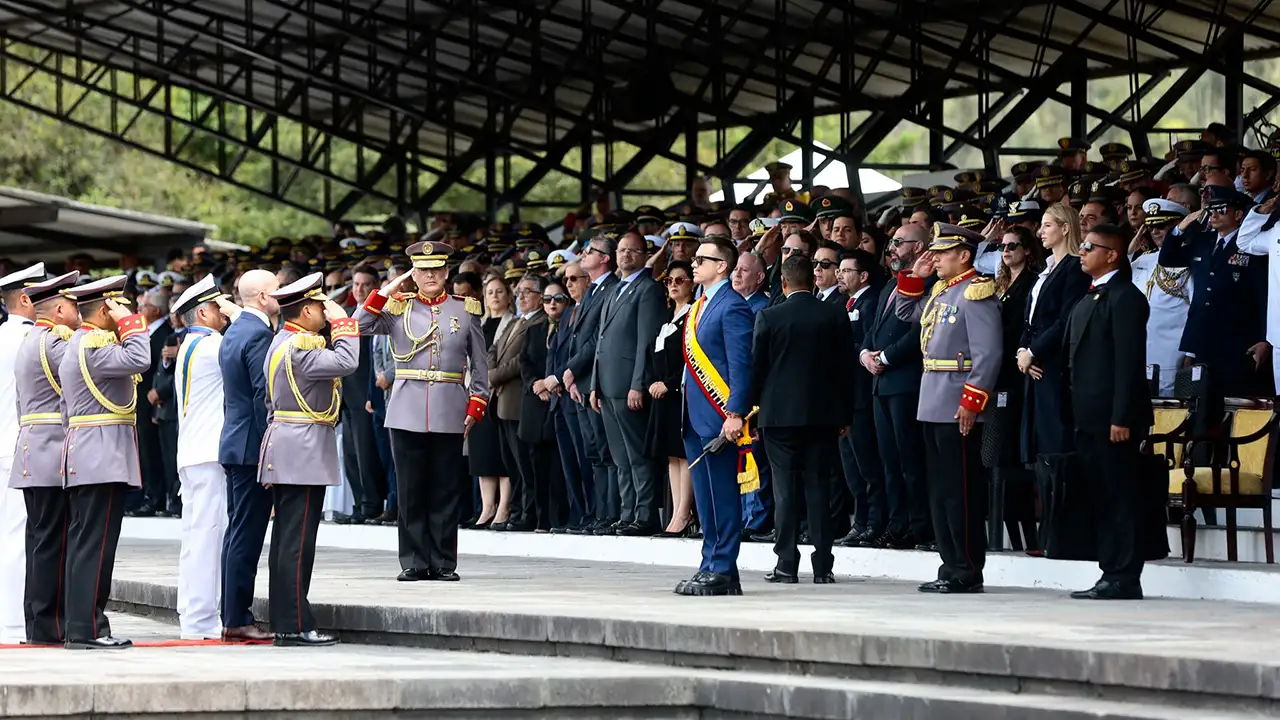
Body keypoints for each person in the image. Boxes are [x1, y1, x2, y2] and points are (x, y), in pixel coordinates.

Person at [357, 241, 490, 582]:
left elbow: (479, 361)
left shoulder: (464, 309)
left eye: (436, 270)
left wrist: (478, 400)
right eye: (423, 270)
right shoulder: (398, 307)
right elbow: (360, 325)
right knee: (410, 488)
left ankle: (443, 561)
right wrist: (386, 291)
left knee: (445, 488)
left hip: (449, 406)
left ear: (446, 273)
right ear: (413, 275)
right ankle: (414, 560)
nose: (430, 276)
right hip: (406, 408)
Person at [896, 223, 1002, 594]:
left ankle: (967, 568)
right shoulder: (943, 289)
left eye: (943, 253)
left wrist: (972, 402)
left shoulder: (976, 291)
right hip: (932, 398)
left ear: (964, 255)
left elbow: (988, 353)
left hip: (958, 401)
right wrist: (916, 276)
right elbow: (906, 312)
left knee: (961, 491)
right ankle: (950, 562)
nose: (936, 258)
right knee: (940, 491)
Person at [260, 272, 359, 646]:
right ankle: (295, 624)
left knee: (289, 538)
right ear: (305, 311)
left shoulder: (282, 341)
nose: (325, 312)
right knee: (297, 541)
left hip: (289, 445)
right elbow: (347, 361)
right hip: (301, 449)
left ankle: (287, 620)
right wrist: (344, 323)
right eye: (320, 306)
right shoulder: (300, 348)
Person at [59, 275, 151, 649]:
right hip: (101, 456)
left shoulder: (79, 344)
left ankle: (82, 624)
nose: (123, 314)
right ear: (105, 309)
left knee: (87, 543)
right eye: (117, 307)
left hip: (88, 453)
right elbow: (141, 358)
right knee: (95, 545)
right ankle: (88, 628)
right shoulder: (94, 347)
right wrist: (131, 322)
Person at [1063, 224, 1153, 600]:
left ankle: (1124, 576)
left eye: (1089, 246)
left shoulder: (1125, 297)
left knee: (1120, 496)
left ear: (1112, 255)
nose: (1082, 252)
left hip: (1113, 419)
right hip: (1088, 415)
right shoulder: (1091, 295)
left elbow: (1128, 363)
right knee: (1101, 495)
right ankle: (1109, 570)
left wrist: (1121, 417)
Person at [752, 255, 852, 584]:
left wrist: (752, 411)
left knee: (785, 490)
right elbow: (846, 368)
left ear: (783, 282)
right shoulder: (834, 314)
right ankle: (823, 566)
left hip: (778, 417)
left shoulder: (769, 316)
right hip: (823, 416)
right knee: (819, 488)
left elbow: (757, 369)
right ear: (812, 280)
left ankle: (786, 564)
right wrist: (845, 414)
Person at [676, 235, 754, 596]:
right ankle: (711, 565)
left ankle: (722, 567)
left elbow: (741, 364)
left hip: (720, 416)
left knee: (721, 495)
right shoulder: (700, 305)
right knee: (706, 500)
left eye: (701, 259)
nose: (694, 264)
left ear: (722, 266)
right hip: (695, 415)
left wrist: (735, 412)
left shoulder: (732, 305)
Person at [9, 269, 79, 645]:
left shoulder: (29, 340)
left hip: (30, 448)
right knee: (54, 541)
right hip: (52, 449)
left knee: (39, 540)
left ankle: (38, 623)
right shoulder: (54, 342)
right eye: (74, 305)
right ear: (60, 309)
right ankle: (52, 625)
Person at [172, 275, 236, 640]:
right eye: (217, 306)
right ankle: (201, 620)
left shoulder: (190, 345)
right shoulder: (213, 345)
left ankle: (193, 615)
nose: (224, 312)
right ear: (202, 313)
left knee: (197, 537)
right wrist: (241, 312)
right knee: (209, 538)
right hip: (209, 453)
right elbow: (253, 344)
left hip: (194, 452)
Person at [859, 224, 932, 550]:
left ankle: (919, 525)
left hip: (906, 382)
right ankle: (897, 523)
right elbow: (873, 330)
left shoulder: (929, 283)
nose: (892, 248)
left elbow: (919, 334)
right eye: (892, 242)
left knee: (911, 460)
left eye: (900, 242)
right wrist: (865, 354)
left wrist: (886, 357)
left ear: (918, 247)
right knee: (889, 461)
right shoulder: (890, 284)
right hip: (881, 384)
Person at [217, 269, 280, 644]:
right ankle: (237, 617)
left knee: (237, 531)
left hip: (235, 442)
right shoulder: (257, 334)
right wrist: (268, 449)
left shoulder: (235, 330)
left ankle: (232, 613)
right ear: (262, 297)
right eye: (277, 291)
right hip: (251, 446)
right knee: (247, 534)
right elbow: (262, 396)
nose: (281, 296)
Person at [1159, 185, 1269, 397]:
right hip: (1201, 336)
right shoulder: (1203, 240)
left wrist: (1264, 338)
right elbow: (1167, 259)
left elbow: (1263, 296)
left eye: (1222, 210)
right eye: (1212, 210)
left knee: (1233, 401)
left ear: (1238, 214)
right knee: (1200, 402)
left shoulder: (1251, 244)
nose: (1214, 215)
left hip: (1238, 340)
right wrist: (1179, 229)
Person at [590, 229, 667, 536]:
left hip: (628, 385)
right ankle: (627, 512)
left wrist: (639, 383)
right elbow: (601, 341)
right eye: (622, 249)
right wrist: (594, 384)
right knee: (620, 456)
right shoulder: (615, 289)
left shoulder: (648, 289)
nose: (626, 254)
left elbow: (646, 341)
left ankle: (645, 515)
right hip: (607, 384)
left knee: (637, 453)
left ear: (644, 255)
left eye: (633, 250)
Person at [0, 263, 51, 644]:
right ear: (25, 299)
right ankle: (14, 621)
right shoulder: (33, 339)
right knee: (19, 537)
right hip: (20, 446)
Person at [1018, 202, 1090, 465]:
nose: (1040, 232)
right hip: (1035, 364)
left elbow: (1065, 319)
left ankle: (1059, 488)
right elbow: (1031, 320)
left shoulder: (1075, 267)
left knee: (1054, 438)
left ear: (1066, 228)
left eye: (1047, 226)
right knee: (1037, 440)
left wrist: (1033, 352)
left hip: (1055, 364)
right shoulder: (1046, 269)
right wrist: (1022, 351)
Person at [987, 227, 1045, 552]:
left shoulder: (1032, 283)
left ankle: (1028, 534)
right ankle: (1010, 531)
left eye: (1013, 245)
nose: (1006, 250)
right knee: (997, 455)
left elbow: (1025, 327)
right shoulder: (998, 285)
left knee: (1012, 456)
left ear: (1028, 250)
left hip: (1016, 375)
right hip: (996, 376)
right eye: (1002, 245)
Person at [559, 235, 621, 534]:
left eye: (590, 251)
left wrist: (572, 369)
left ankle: (611, 514)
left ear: (605, 258)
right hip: (581, 382)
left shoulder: (611, 288)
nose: (583, 254)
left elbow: (598, 338)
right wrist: (572, 374)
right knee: (594, 452)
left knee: (606, 452)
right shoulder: (593, 289)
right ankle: (599, 513)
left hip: (596, 380)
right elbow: (577, 337)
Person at [835, 249, 884, 547]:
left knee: (868, 465)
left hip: (862, 395)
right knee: (851, 467)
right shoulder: (847, 302)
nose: (839, 275)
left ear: (863, 275)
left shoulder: (870, 302)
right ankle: (861, 521)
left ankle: (874, 522)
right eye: (839, 270)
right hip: (845, 397)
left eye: (846, 271)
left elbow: (866, 343)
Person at [646, 261, 696, 537]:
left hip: (680, 393)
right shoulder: (667, 317)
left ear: (691, 283)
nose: (673, 285)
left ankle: (684, 513)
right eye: (669, 281)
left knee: (683, 453)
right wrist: (654, 382)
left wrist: (669, 384)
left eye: (680, 280)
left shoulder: (693, 314)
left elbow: (691, 359)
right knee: (671, 456)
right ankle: (677, 512)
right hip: (662, 395)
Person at [337, 265, 386, 524]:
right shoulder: (346, 314)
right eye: (356, 284)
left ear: (375, 286)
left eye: (365, 284)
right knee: (351, 456)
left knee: (367, 454)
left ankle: (371, 505)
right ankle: (359, 503)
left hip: (365, 394)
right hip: (346, 395)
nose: (359, 289)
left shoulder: (377, 317)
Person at [488, 275, 537, 531]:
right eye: (519, 292)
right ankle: (517, 510)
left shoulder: (538, 321)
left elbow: (521, 360)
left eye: (528, 292)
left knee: (524, 463)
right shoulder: (517, 321)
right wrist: (491, 372)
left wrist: (492, 376)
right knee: (512, 463)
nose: (522, 297)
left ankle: (527, 513)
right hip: (502, 402)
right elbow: (493, 350)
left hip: (518, 401)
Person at [515, 274, 559, 531]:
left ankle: (554, 518)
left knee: (555, 467)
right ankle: (536, 517)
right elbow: (524, 362)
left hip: (557, 398)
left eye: (558, 299)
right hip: (534, 401)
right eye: (548, 299)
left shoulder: (567, 327)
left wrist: (548, 383)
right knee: (533, 465)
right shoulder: (534, 330)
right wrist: (535, 384)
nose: (552, 304)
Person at [471, 275, 514, 528]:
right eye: (490, 292)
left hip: (500, 394)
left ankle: (504, 506)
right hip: (477, 396)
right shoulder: (477, 323)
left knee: (500, 453)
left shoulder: (514, 323)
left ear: (508, 296)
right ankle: (488, 507)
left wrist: (489, 380)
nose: (495, 296)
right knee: (482, 453)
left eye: (499, 292)